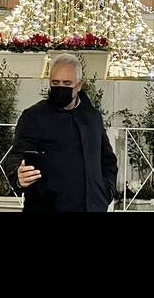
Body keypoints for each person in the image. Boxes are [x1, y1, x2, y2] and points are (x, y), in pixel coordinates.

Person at [10, 54, 117, 212]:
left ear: (79, 85)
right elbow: (16, 155)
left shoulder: (92, 117)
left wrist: (106, 191)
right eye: (55, 82)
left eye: (67, 83)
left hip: (92, 207)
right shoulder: (34, 116)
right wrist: (17, 175)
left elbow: (107, 160)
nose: (60, 87)